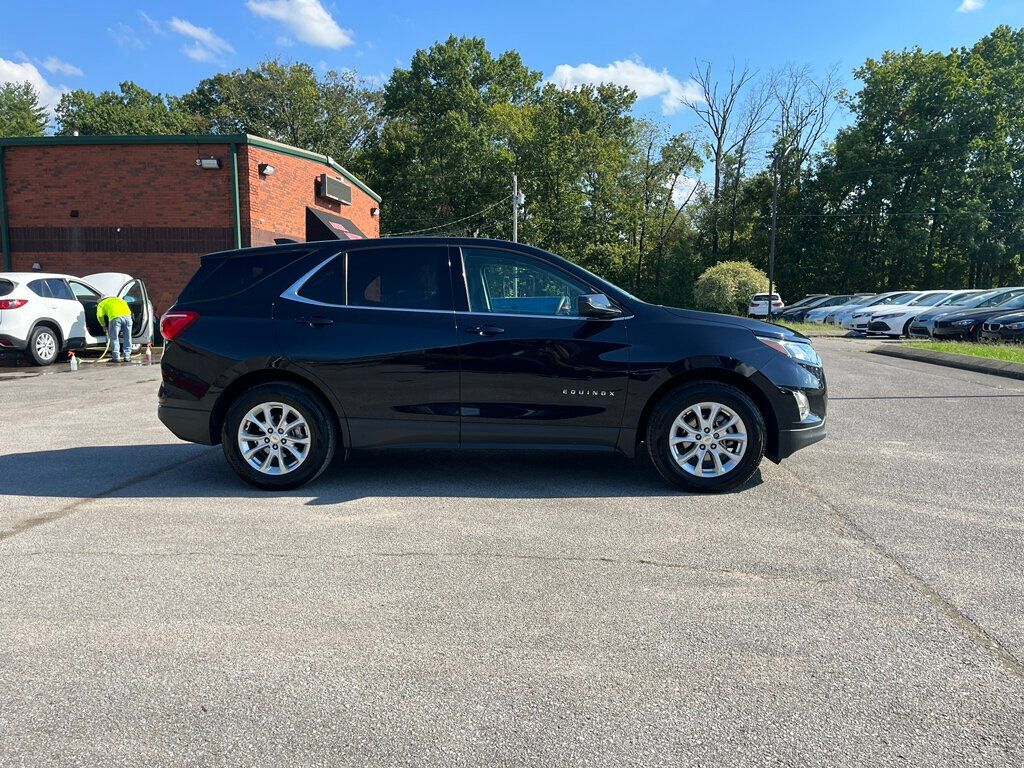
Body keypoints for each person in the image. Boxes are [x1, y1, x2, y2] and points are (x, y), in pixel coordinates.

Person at [96, 295, 133, 363]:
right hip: (128, 317)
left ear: (101, 299)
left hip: (115, 318)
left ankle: (116, 357)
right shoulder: (120, 300)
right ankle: (127, 356)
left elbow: (99, 316)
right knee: (128, 337)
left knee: (114, 338)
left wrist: (103, 325)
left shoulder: (102, 303)